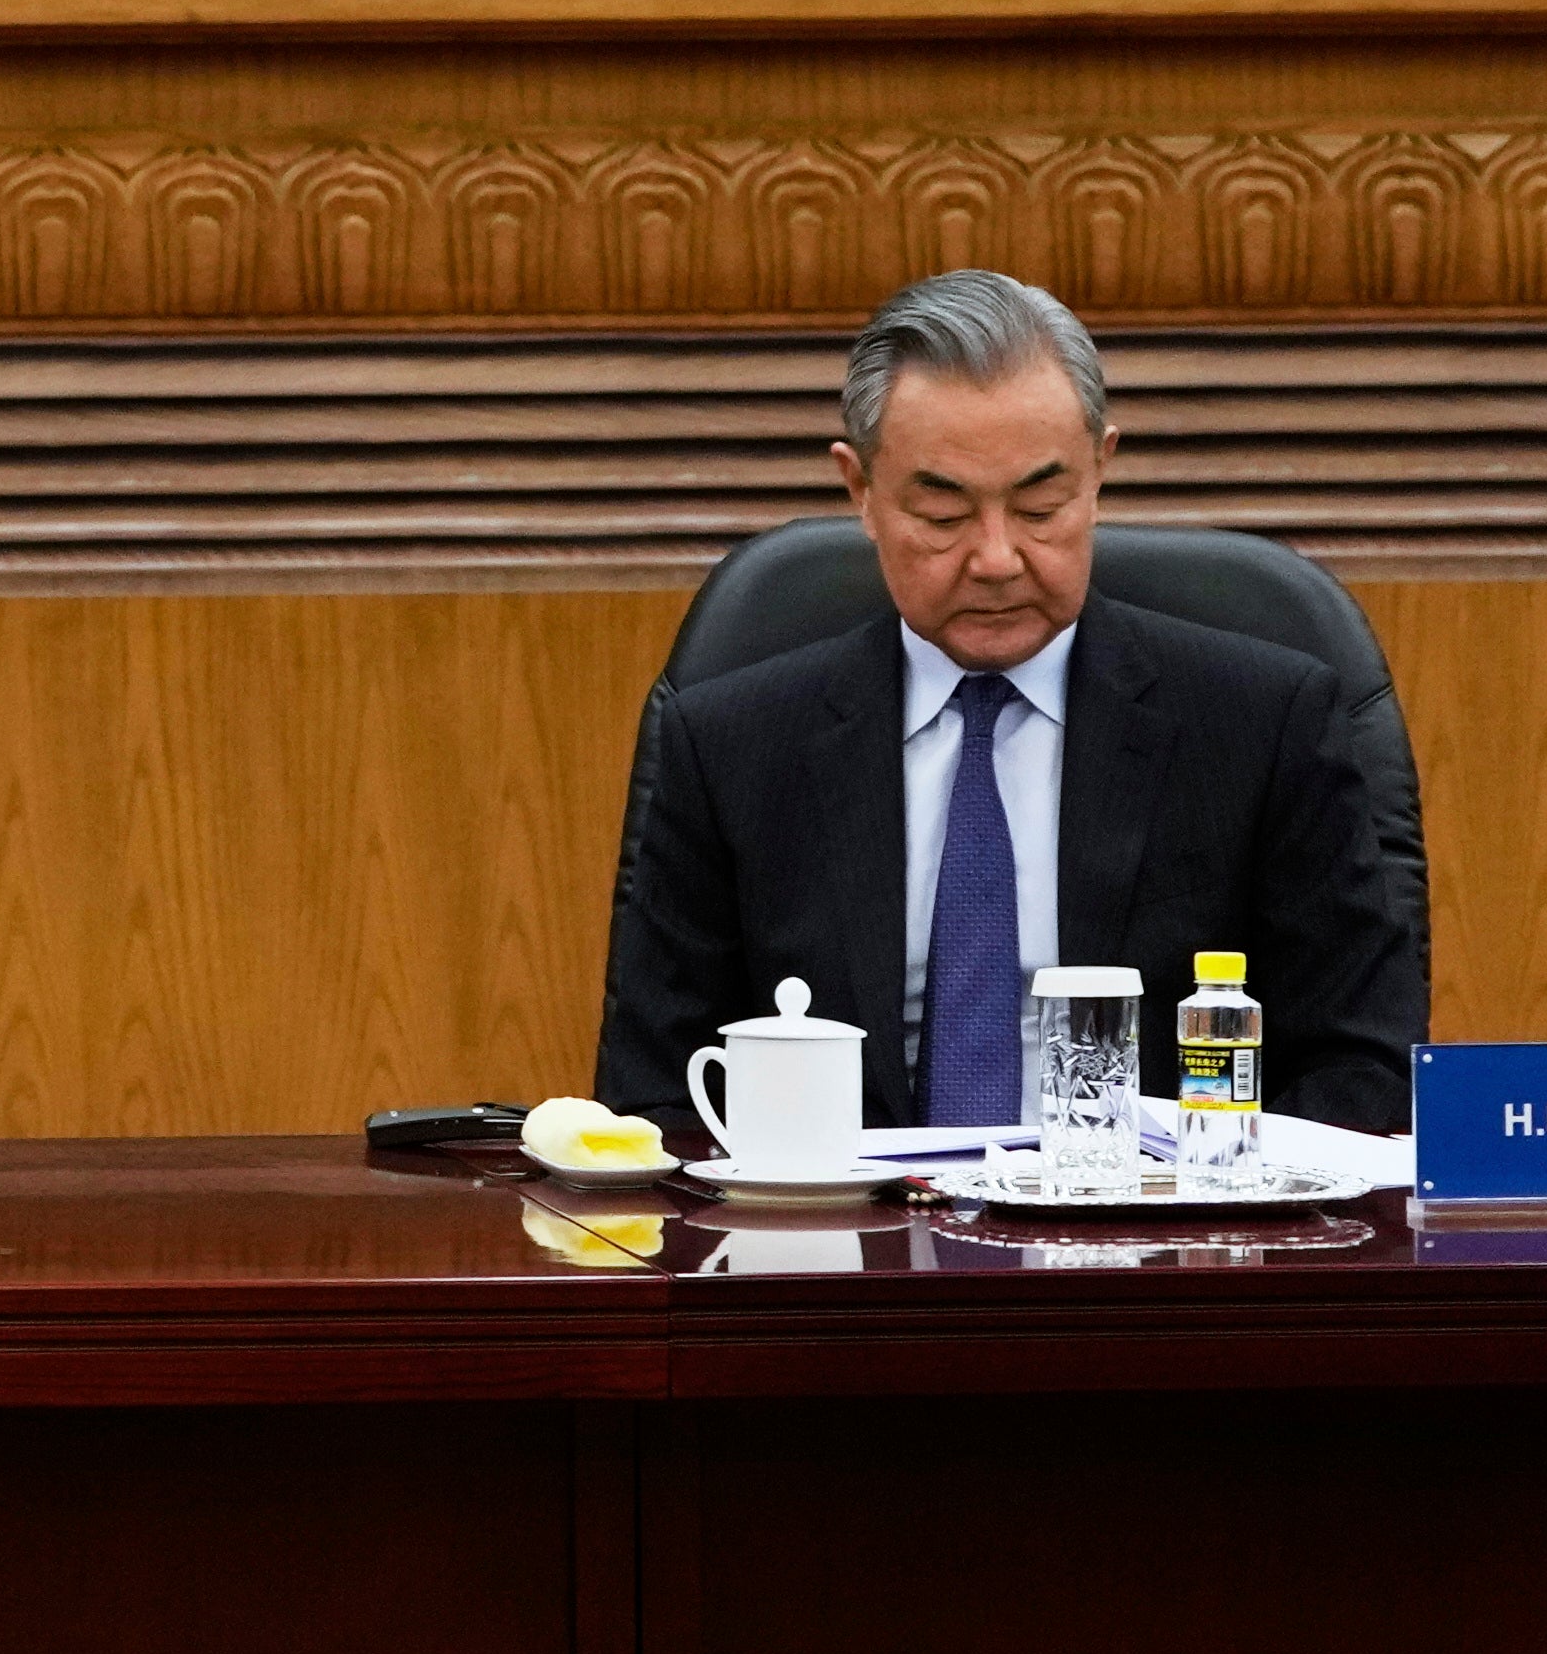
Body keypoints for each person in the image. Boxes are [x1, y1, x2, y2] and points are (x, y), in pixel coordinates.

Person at [593, 270, 1420, 1141]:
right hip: (840, 1251)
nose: (996, 558)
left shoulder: (1260, 723)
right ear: (859, 492)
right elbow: (653, 1101)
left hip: (1160, 1248)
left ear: (1099, 469)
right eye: (941, 513)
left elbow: (1363, 1068)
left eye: (1039, 506)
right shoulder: (733, 745)